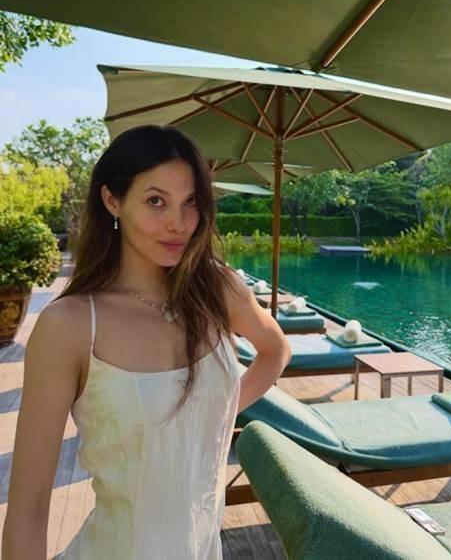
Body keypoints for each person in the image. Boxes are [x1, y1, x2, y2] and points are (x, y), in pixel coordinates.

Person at [2, 125, 291, 559]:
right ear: (112, 201)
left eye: (190, 201)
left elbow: (275, 351)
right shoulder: (71, 325)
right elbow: (28, 509)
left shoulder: (219, 290)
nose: (179, 223)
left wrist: (213, 413)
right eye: (156, 201)